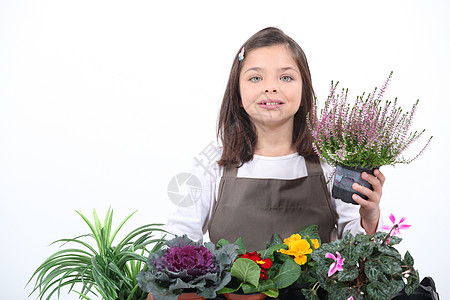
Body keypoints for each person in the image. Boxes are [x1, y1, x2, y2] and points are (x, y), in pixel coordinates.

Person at [166, 27, 385, 252]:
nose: (270, 87)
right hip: (230, 290)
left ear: (303, 92)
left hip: (315, 289)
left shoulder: (329, 164)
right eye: (256, 78)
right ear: (238, 94)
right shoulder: (212, 167)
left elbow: (356, 251)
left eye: (286, 77)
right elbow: (180, 243)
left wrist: (369, 215)